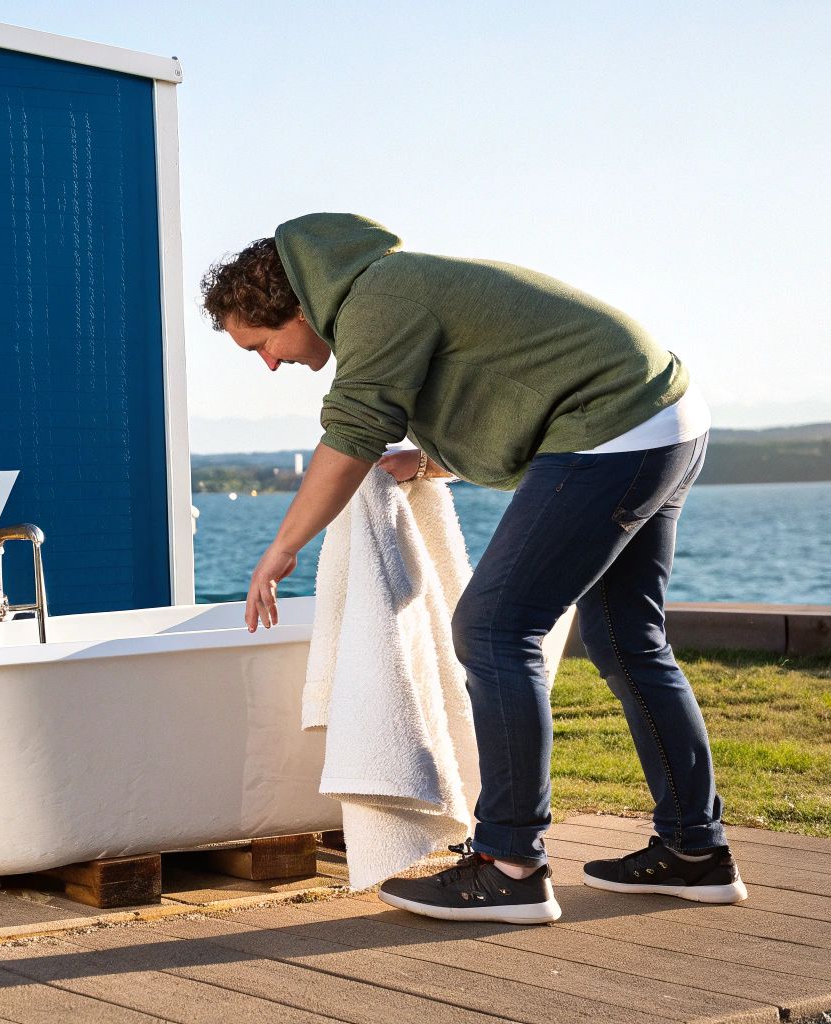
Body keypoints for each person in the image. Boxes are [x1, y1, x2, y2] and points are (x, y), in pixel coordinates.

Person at [200, 213, 748, 925]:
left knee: (494, 628)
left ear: (294, 308)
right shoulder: (387, 290)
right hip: (659, 416)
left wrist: (280, 550)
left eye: (262, 345)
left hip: (615, 426)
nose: (269, 363)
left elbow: (354, 429)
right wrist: (430, 461)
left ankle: (510, 864)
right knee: (624, 641)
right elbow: (505, 382)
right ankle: (695, 851)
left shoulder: (377, 300)